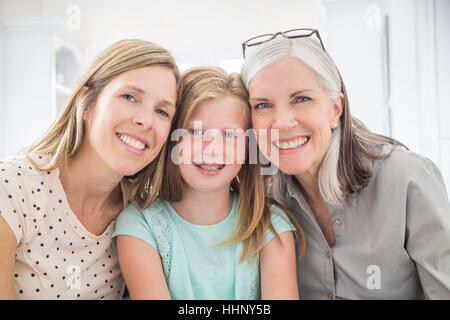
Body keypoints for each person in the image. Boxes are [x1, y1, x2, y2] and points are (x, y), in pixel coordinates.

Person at [240, 28, 450, 299]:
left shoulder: (408, 179)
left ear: (335, 109)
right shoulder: (260, 200)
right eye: (263, 105)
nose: (282, 123)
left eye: (301, 99)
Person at [0, 39, 180, 299]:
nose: (145, 120)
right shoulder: (11, 189)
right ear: (86, 102)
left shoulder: (141, 216)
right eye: (129, 97)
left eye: (162, 111)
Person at [111, 66, 304, 300]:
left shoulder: (271, 225)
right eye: (194, 132)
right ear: (171, 139)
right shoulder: (139, 225)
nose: (212, 149)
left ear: (248, 147)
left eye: (229, 135)